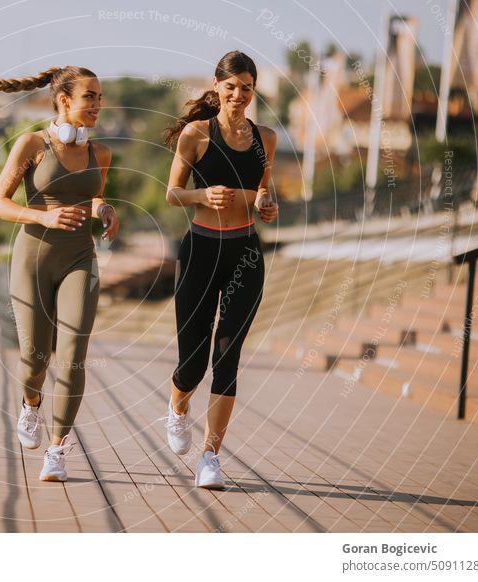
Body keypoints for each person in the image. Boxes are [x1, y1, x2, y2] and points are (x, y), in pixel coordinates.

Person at [0, 66, 119, 481]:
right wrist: (42, 218)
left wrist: (104, 209)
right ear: (64, 101)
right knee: (34, 359)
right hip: (32, 258)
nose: (98, 104)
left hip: (81, 258)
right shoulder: (33, 144)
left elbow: (95, 194)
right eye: (90, 97)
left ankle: (58, 449)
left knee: (73, 356)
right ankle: (31, 406)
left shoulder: (100, 153)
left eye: (100, 96)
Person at [162, 51, 278, 489]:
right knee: (191, 363)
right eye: (231, 86)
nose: (238, 94)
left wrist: (268, 204)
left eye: (247, 87)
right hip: (200, 252)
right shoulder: (195, 133)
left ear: (253, 91)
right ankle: (176, 407)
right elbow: (173, 193)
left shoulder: (264, 137)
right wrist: (201, 196)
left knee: (226, 356)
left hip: (245, 254)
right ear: (216, 86)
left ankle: (210, 456)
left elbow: (264, 190)